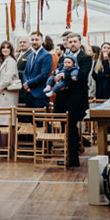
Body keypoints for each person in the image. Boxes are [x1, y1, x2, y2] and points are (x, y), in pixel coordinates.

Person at [53, 32, 93, 167]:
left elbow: (82, 77)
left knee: (71, 127)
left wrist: (64, 76)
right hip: (63, 98)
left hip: (76, 99)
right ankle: (70, 156)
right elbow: (57, 73)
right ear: (67, 44)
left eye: (75, 41)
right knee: (67, 127)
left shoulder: (86, 58)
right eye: (70, 42)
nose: (72, 44)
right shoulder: (62, 58)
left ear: (80, 43)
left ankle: (72, 159)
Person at [0, 40, 20, 147]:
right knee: (2, 121)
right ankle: (2, 147)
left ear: (11, 50)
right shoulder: (1, 62)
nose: (5, 49)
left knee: (7, 121)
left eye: (7, 47)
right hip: (1, 95)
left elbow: (7, 79)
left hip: (7, 95)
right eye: (3, 48)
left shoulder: (11, 61)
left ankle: (7, 148)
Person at [22, 32, 53, 109]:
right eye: (32, 40)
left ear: (42, 41)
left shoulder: (46, 55)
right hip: (29, 93)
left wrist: (28, 83)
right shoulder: (30, 56)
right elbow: (25, 72)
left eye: (36, 39)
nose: (34, 42)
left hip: (40, 94)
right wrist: (26, 84)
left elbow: (44, 75)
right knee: (31, 119)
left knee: (41, 119)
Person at [14, 35, 31, 104]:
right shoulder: (16, 55)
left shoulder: (31, 55)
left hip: (24, 88)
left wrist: (15, 72)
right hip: (16, 87)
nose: (22, 44)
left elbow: (29, 71)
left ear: (29, 43)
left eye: (24, 42)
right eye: (20, 42)